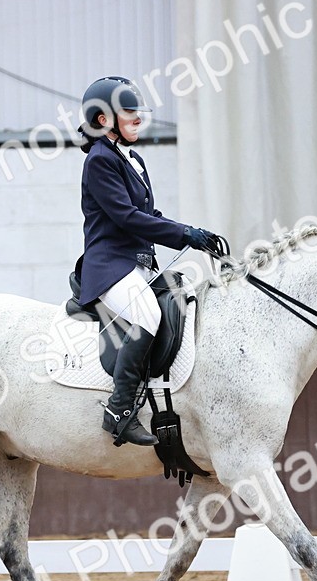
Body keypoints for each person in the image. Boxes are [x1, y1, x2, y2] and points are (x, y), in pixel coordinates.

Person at [75, 75, 223, 446]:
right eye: (129, 113)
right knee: (149, 316)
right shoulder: (99, 161)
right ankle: (119, 410)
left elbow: (150, 213)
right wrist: (184, 235)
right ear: (102, 119)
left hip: (139, 263)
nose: (138, 119)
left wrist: (193, 232)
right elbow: (126, 217)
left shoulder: (132, 158)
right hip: (110, 267)